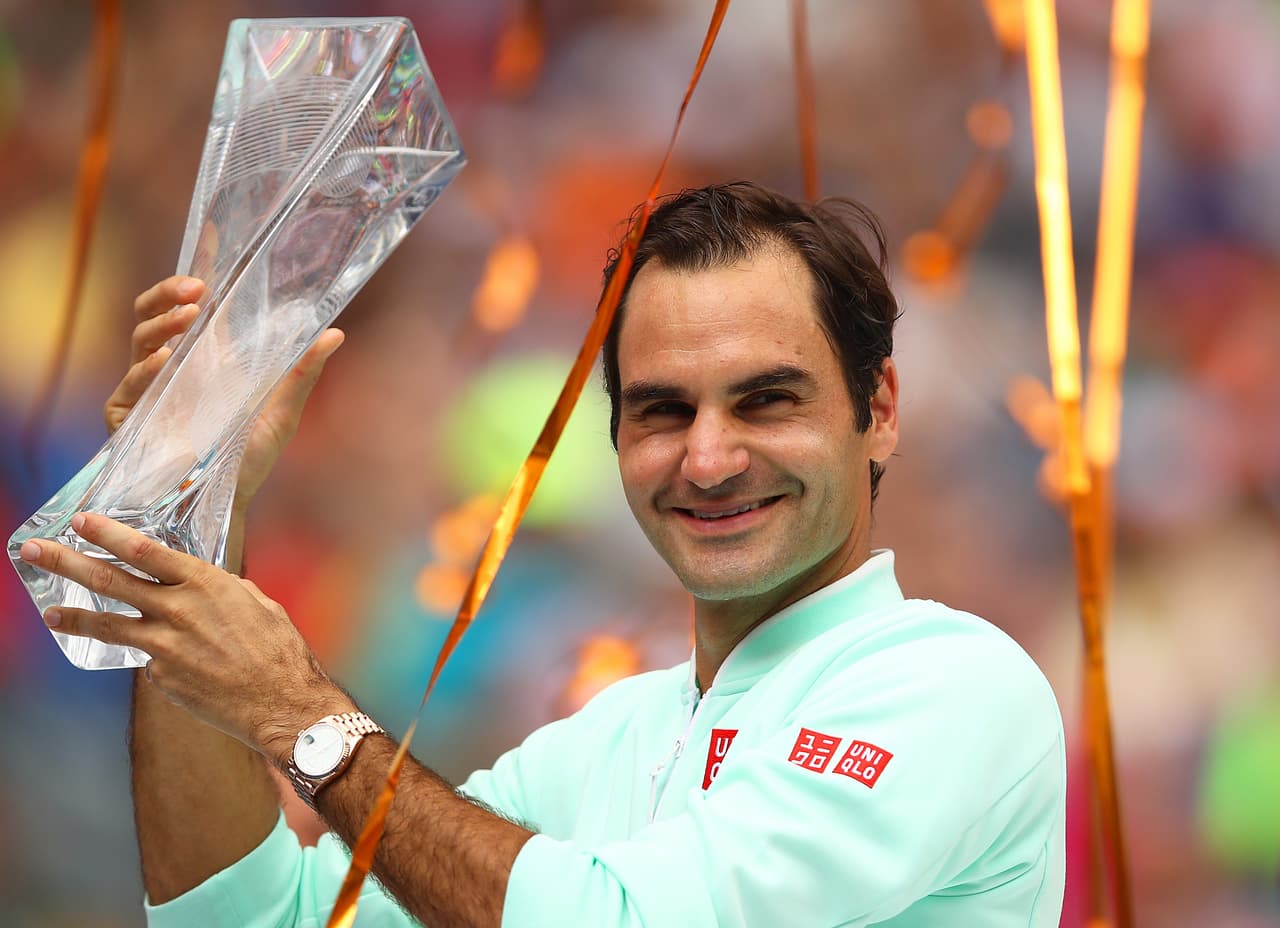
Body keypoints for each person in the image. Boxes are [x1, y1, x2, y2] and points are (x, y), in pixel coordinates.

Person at [19, 182, 1065, 926]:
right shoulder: (606, 740)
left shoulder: (951, 684)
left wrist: (298, 712)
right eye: (662, 409)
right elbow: (248, 921)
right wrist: (193, 506)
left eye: (765, 399)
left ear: (875, 411)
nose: (706, 457)